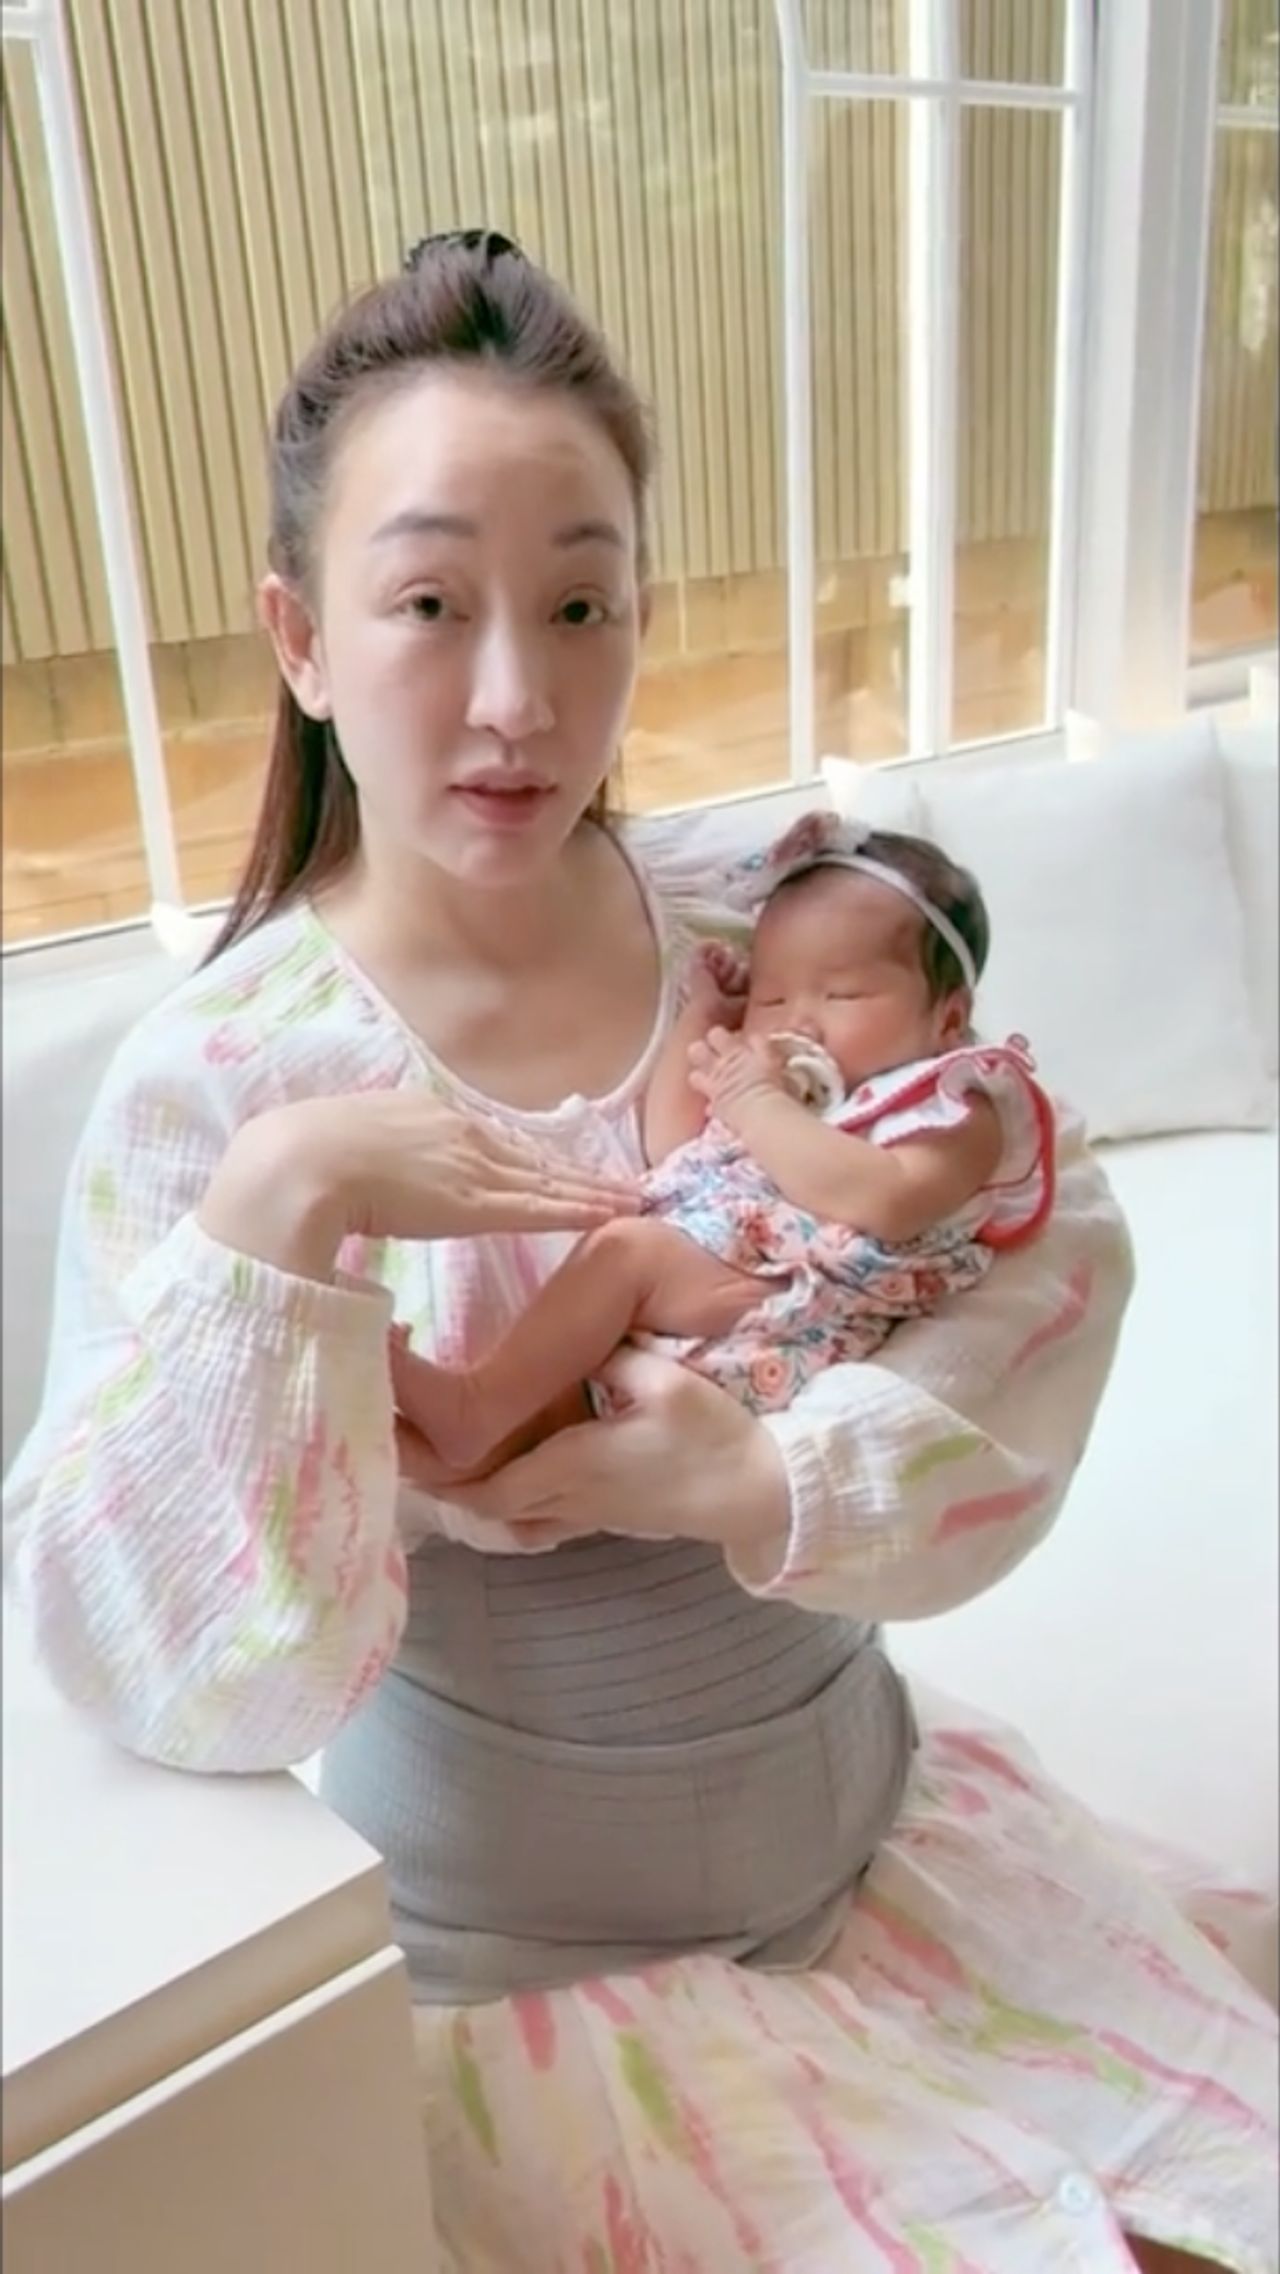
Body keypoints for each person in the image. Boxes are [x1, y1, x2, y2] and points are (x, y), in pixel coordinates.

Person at [3, 233, 1274, 2274]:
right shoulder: (218, 1083)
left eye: (580, 603)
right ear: (300, 638)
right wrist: (280, 1209)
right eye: (430, 604)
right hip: (533, 2001)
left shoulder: (760, 931)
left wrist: (762, 1475)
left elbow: (1042, 1234)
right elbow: (152, 1670)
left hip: (886, 1846)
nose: (519, 697)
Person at [390, 813, 1056, 1474]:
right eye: (772, 997)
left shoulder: (952, 1099)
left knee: (625, 1255)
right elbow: (670, 1143)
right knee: (567, 1362)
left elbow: (887, 1199)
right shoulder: (778, 1081)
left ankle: (475, 1408)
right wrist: (705, 1018)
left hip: (793, 1301)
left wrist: (758, 1104)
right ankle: (460, 1456)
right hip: (717, 1278)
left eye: (842, 994)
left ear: (950, 1017)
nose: (801, 1021)